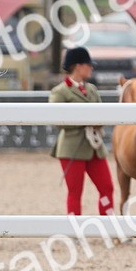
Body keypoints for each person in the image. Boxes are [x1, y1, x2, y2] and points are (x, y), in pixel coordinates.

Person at [49, 46, 115, 216]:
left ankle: (109, 224)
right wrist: (87, 121)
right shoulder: (60, 92)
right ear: (78, 66)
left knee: (107, 187)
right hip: (72, 148)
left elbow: (101, 114)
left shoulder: (92, 90)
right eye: (88, 65)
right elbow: (59, 121)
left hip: (94, 148)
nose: (91, 67)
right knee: (75, 191)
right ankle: (75, 230)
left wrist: (99, 122)